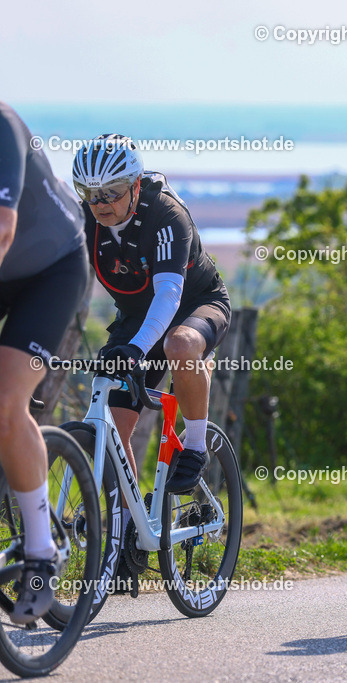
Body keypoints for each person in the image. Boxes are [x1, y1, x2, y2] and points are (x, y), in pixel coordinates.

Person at [72, 135, 231, 586]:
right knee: (114, 433)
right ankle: (127, 534)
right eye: (91, 194)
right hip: (138, 318)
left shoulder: (167, 215)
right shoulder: (89, 219)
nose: (100, 204)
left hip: (194, 306)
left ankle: (196, 444)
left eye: (110, 193)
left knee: (181, 346)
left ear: (135, 185)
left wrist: (138, 351)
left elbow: (169, 294)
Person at [0, 102, 90, 623]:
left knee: (6, 401)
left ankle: (41, 550)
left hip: (50, 269)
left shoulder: (3, 127)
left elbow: (2, 231)